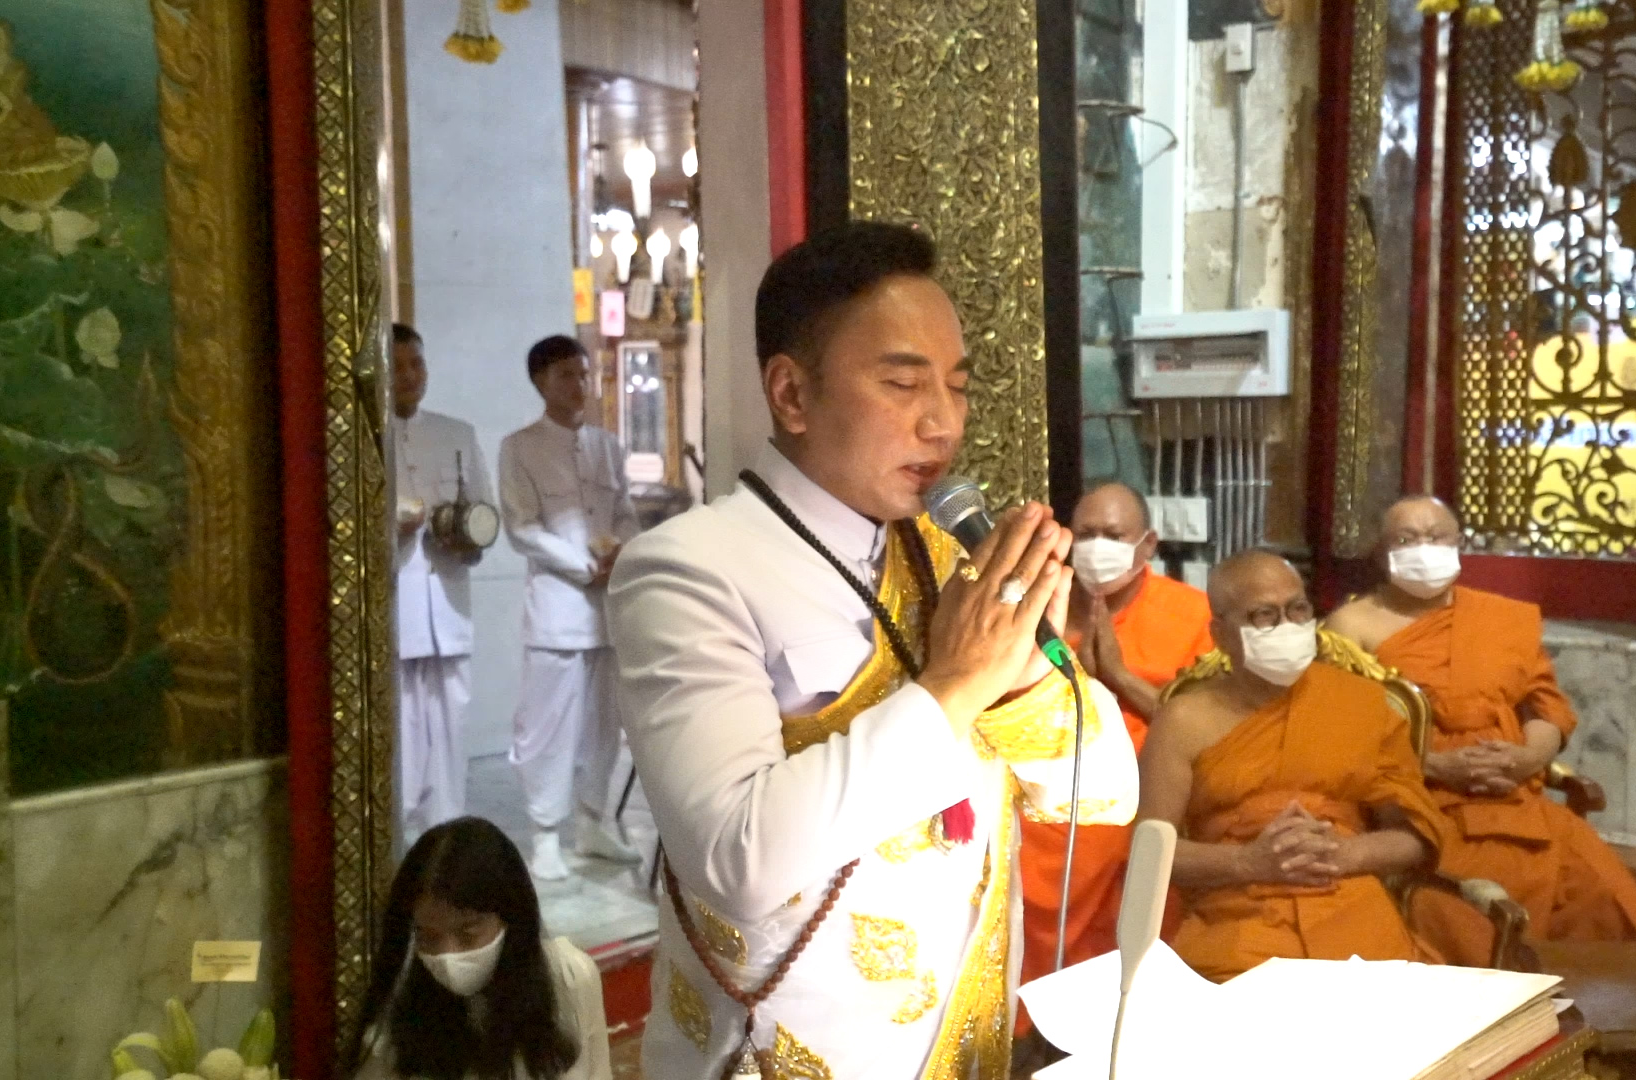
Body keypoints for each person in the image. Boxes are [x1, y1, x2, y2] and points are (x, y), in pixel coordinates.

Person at [608, 221, 1138, 1079]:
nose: (943, 423)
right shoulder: (689, 568)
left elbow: (1107, 790)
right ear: (792, 394)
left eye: (957, 387)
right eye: (902, 384)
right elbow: (738, 858)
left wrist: (1015, 679)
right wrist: (955, 685)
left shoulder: (951, 557)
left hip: (967, 1045)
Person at [1324, 495, 1636, 963]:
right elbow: (1336, 733)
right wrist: (1436, 765)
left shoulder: (1502, 619)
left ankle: (1571, 1000)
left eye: (1436, 537)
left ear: (1458, 544)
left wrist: (1527, 759)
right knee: (1470, 918)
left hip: (1515, 796)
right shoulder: (1350, 625)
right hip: (1420, 802)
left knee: (1598, 891)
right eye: (1407, 539)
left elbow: (1546, 709)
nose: (1424, 548)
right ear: (1381, 552)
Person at [1139, 548, 1447, 983]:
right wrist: (1249, 862)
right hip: (1236, 921)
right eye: (1264, 615)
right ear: (1221, 634)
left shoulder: (1359, 704)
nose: (1287, 626)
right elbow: (1151, 853)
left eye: (1298, 609)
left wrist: (1344, 854)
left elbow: (1414, 837)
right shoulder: (1183, 720)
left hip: (1352, 912)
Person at [1019, 479, 1211, 986]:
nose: (1097, 547)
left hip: (1146, 797)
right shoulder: (1040, 608)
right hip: (1041, 796)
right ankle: (1029, 1013)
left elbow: (1211, 732)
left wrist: (1121, 679)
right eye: (1086, 534)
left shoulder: (1192, 614)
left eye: (1113, 535)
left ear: (1147, 545)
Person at [499, 336, 654, 881]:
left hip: (606, 612)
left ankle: (592, 822)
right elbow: (522, 528)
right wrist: (584, 564)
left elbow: (625, 512)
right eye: (567, 375)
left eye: (584, 375)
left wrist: (623, 551)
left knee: (604, 727)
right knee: (547, 728)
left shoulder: (606, 446)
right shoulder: (520, 447)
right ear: (540, 381)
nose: (580, 385)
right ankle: (545, 833)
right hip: (557, 611)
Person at [352, 817, 612, 1080]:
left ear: (510, 916)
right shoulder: (397, 1020)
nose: (448, 956)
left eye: (468, 935)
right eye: (428, 937)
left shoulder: (569, 978)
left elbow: (598, 1072)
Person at [392, 324, 493, 847]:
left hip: (449, 598)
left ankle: (447, 834)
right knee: (404, 723)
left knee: (453, 718)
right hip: (398, 603)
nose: (410, 375)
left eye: (417, 364)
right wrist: (393, 527)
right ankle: (401, 835)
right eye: (397, 366)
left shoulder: (458, 434)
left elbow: (484, 513)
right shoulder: (365, 437)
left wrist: (467, 538)